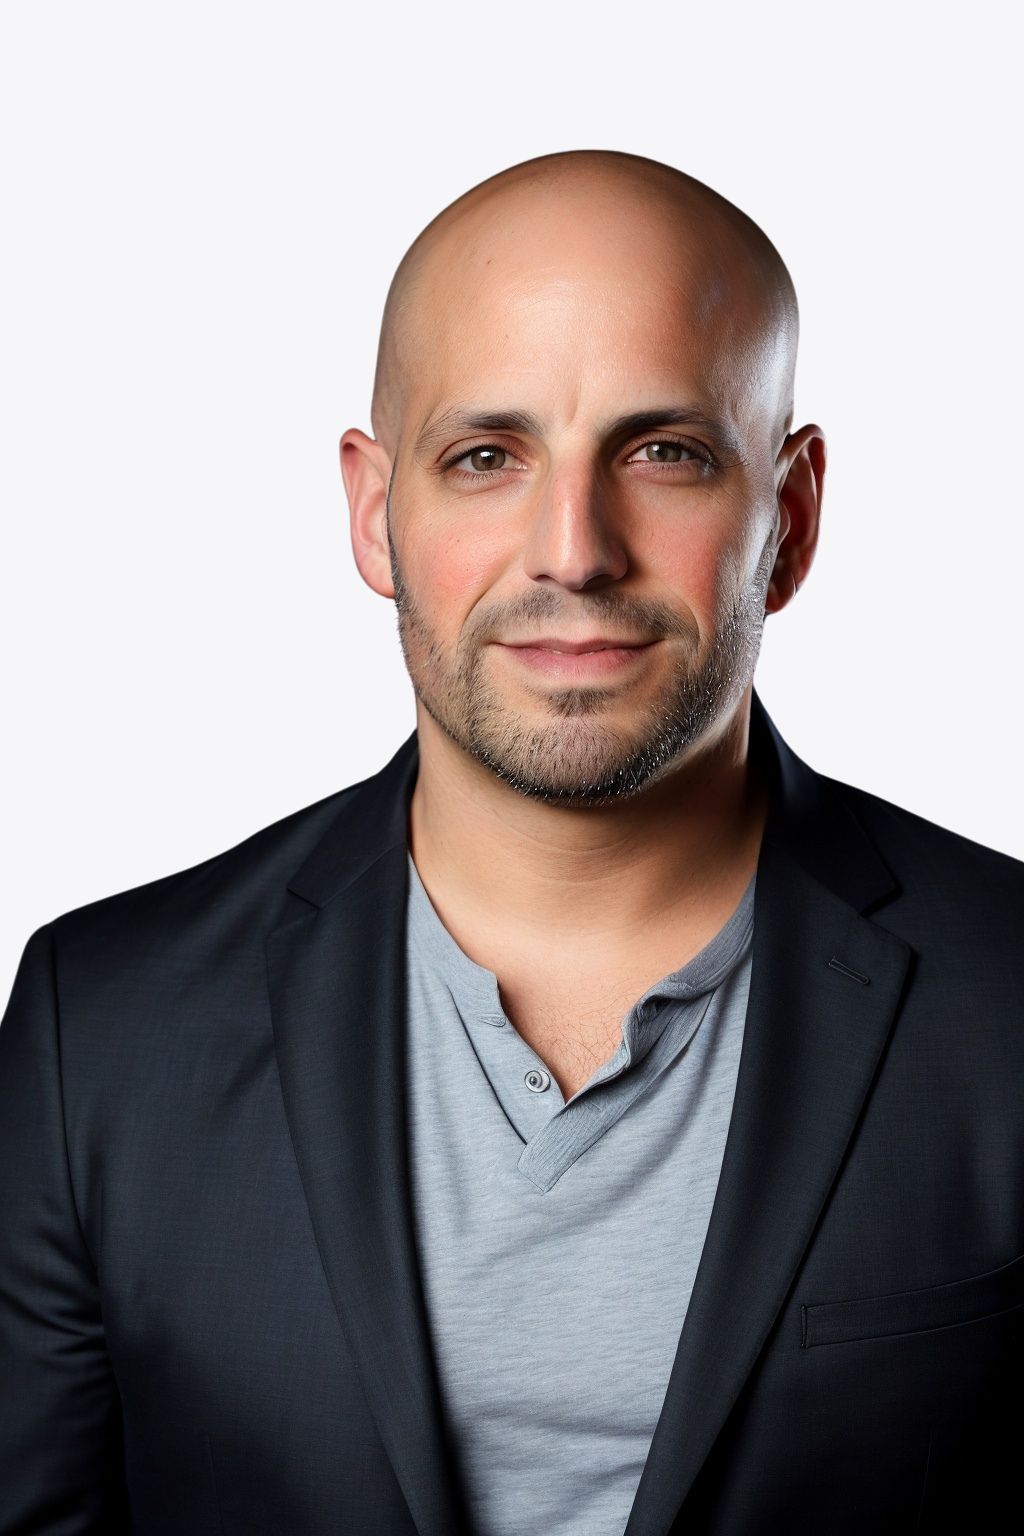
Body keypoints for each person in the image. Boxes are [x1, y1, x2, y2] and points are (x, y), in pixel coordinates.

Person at [0, 149, 1021, 1536]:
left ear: (790, 516)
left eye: (664, 452)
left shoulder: (1007, 999)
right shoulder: (103, 1030)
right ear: (375, 513)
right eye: (486, 457)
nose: (574, 549)